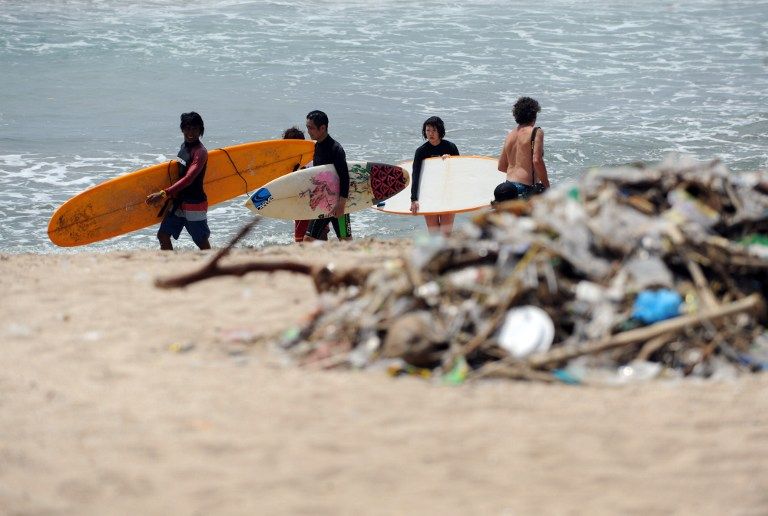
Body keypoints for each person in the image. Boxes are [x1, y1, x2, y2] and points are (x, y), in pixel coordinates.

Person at [146, 112, 210, 251]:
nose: (190, 132)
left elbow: (189, 178)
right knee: (163, 235)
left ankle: (214, 268)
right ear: (182, 129)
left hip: (194, 203)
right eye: (187, 128)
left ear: (200, 130)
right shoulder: (184, 146)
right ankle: (169, 266)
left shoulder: (200, 152)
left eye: (194, 128)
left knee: (201, 242)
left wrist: (163, 194)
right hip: (179, 202)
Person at [303, 110, 352, 242]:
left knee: (345, 240)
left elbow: (344, 177)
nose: (308, 131)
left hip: (338, 204)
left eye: (311, 128)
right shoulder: (317, 146)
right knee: (308, 240)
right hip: (323, 203)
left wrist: (341, 204)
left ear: (323, 128)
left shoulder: (336, 149)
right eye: (307, 127)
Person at [409, 116, 460, 236]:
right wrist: (414, 199)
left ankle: (447, 254)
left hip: (448, 193)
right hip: (429, 193)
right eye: (428, 130)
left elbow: (459, 172)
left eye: (434, 130)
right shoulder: (421, 151)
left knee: (445, 234)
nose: (430, 134)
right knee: (434, 234)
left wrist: (450, 161)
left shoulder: (450, 147)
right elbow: (415, 175)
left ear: (440, 131)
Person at [494, 97, 550, 203]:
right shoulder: (536, 132)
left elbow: (501, 166)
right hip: (525, 188)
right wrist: (547, 186)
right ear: (534, 115)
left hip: (507, 188)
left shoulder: (510, 135)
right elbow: (537, 160)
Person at [282, 126, 317, 242]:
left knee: (306, 239)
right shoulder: (286, 164)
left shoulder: (313, 160)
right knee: (303, 239)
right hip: (300, 206)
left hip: (313, 204)